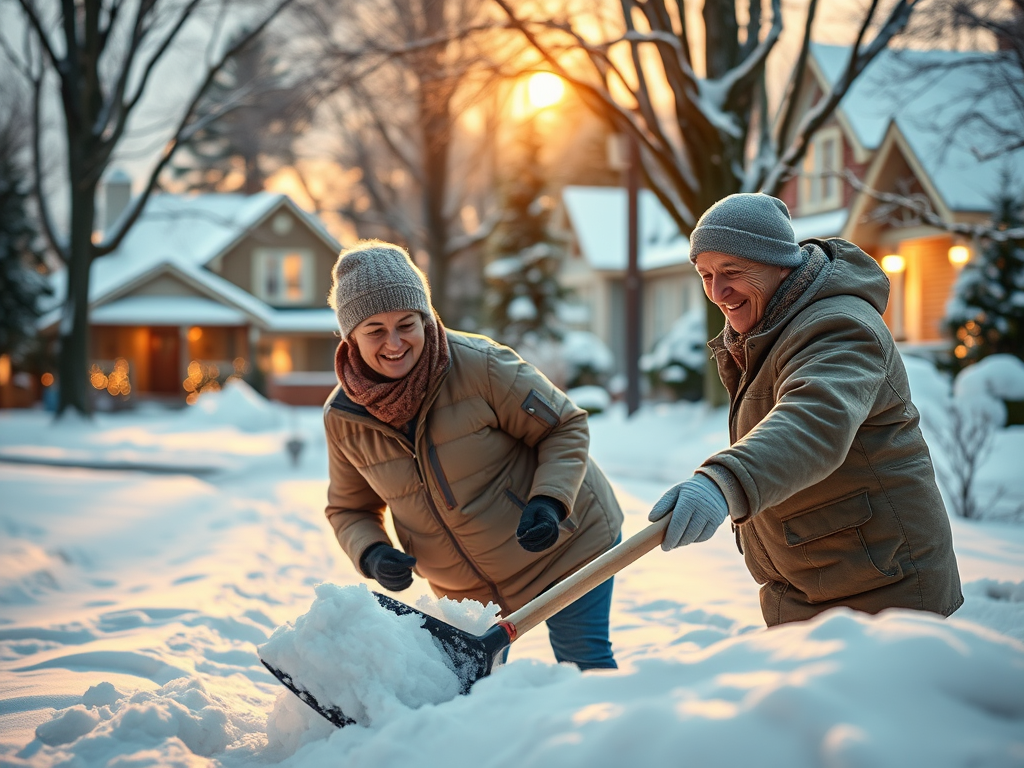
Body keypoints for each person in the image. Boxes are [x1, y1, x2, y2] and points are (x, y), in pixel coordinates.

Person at [649, 193, 963, 626]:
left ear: (781, 264)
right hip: (807, 589)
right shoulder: (764, 333)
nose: (717, 292)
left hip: (884, 593)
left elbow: (814, 420)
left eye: (731, 271)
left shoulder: (838, 326)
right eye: (705, 274)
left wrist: (724, 482)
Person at [323, 239, 623, 669]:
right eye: (375, 330)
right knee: (475, 699)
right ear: (350, 336)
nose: (394, 343)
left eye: (407, 324)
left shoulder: (479, 365)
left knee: (583, 663)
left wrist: (549, 501)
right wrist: (371, 552)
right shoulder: (343, 417)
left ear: (426, 318)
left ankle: (618, 737)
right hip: (468, 594)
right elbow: (349, 508)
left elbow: (564, 425)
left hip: (562, 547)